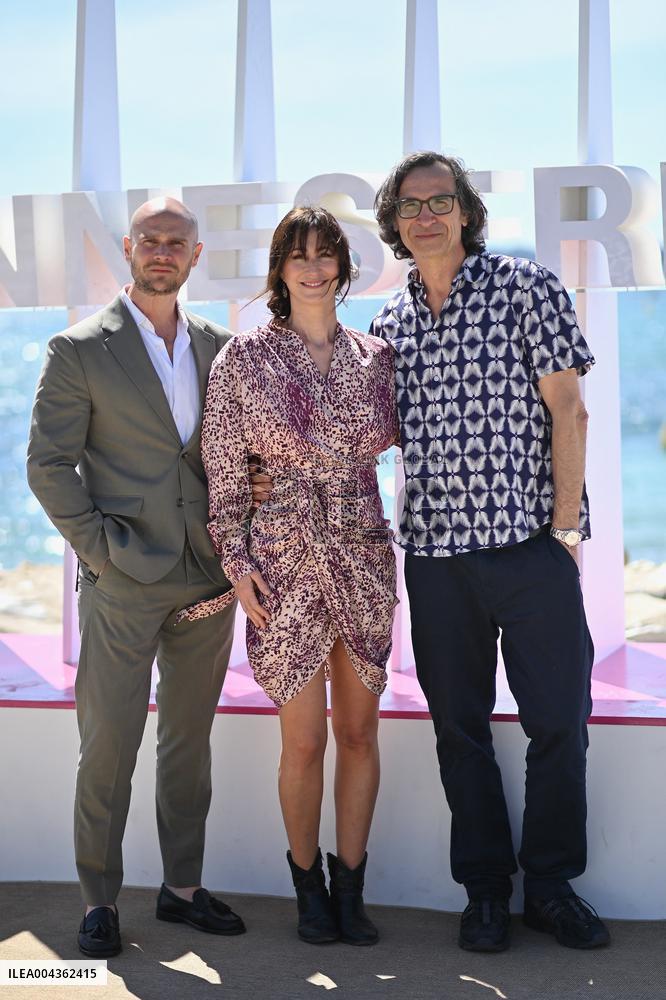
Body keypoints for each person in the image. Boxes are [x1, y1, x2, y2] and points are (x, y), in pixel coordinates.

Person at [369, 151, 610, 952]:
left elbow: (569, 409)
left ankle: (549, 885)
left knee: (559, 722)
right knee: (459, 728)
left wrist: (566, 530)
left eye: (441, 201)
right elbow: (361, 441)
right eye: (411, 206)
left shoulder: (524, 286)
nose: (427, 215)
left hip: (530, 549)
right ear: (395, 225)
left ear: (466, 211)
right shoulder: (387, 326)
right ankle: (484, 890)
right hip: (435, 559)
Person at [26, 197, 245, 958]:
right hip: (123, 580)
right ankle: (99, 901)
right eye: (149, 240)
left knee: (189, 744)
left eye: (175, 242)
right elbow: (48, 466)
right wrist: (98, 551)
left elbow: (239, 458)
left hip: (208, 579)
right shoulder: (78, 349)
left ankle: (182, 890)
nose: (161, 251)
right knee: (109, 745)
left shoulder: (222, 346)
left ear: (194, 254)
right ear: (128, 248)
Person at [181, 206, 398, 946]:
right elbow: (224, 480)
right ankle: (307, 886)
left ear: (342, 266)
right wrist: (238, 569)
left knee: (361, 733)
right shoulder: (241, 359)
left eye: (325, 254)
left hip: (365, 557)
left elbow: (406, 444)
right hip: (282, 567)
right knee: (303, 740)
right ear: (278, 268)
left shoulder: (378, 357)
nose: (312, 267)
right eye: (297, 255)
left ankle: (351, 889)